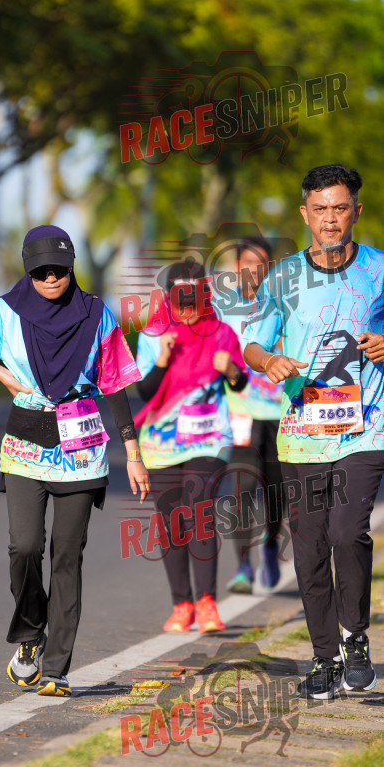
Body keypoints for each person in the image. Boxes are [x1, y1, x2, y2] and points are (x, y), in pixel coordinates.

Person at [0, 225, 149, 698]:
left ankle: (56, 669)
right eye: (40, 272)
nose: (51, 278)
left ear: (72, 267)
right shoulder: (6, 311)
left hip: (83, 450)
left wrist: (133, 453)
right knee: (25, 547)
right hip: (25, 444)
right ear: (28, 271)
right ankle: (31, 634)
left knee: (67, 556)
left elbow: (114, 383)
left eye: (59, 270)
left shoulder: (97, 314)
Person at [243, 164, 384, 699]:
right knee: (308, 549)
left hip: (365, 427)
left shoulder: (383, 268)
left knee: (347, 533)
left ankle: (356, 638)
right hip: (302, 431)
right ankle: (324, 658)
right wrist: (269, 361)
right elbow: (252, 343)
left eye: (340, 208)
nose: (330, 219)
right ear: (305, 214)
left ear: (356, 212)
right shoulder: (283, 277)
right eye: (320, 209)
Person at [134, 258, 247, 634]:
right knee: (171, 521)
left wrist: (231, 369)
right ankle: (182, 604)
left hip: (208, 437)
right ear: (167, 298)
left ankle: (207, 602)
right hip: (162, 441)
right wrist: (162, 360)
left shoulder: (222, 333)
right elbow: (144, 393)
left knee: (199, 510)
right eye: (179, 301)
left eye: (193, 300)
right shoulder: (151, 336)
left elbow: (240, 383)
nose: (186, 309)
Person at [221, 236, 287, 594]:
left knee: (276, 489)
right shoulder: (222, 309)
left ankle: (271, 546)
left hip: (280, 410)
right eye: (248, 262)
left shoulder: (286, 304)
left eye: (262, 263)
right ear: (236, 267)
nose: (254, 270)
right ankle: (244, 566)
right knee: (242, 488)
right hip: (240, 412)